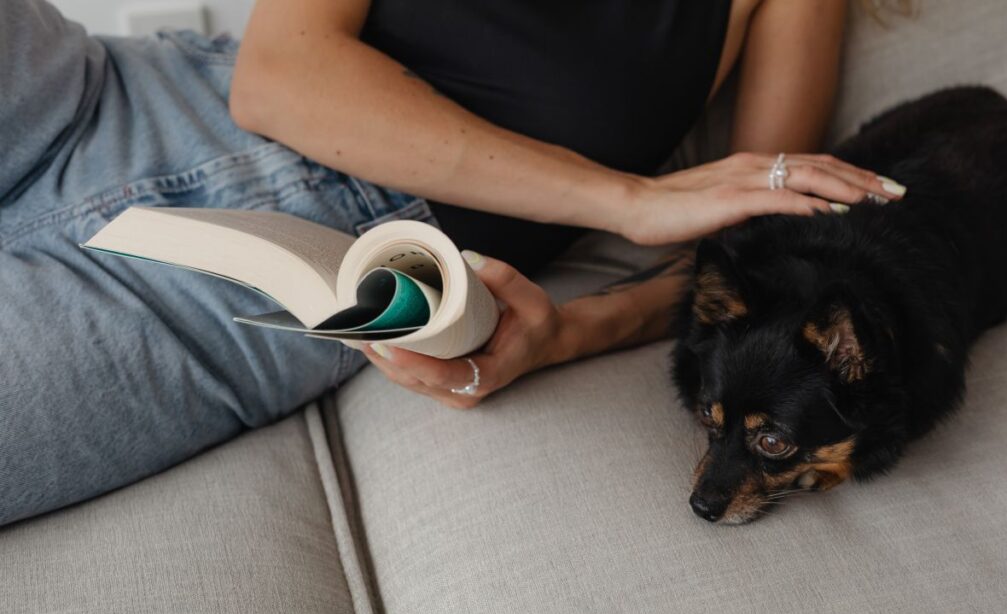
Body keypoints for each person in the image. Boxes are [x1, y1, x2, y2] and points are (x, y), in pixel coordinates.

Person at [0, 0, 902, 527]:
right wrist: (628, 201)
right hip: (107, 94)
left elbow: (754, 275)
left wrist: (570, 331)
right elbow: (276, 73)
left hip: (334, 260)